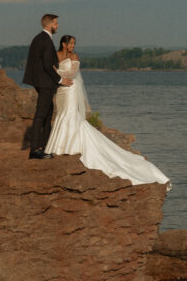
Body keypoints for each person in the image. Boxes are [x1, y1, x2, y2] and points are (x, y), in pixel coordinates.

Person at [45, 34, 171, 188]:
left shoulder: (74, 56)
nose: (73, 46)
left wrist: (56, 74)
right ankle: (59, 145)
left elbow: (72, 74)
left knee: (70, 115)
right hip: (61, 90)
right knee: (61, 114)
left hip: (70, 88)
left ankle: (69, 146)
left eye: (74, 44)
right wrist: (56, 77)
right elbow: (48, 67)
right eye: (71, 43)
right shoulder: (56, 55)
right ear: (63, 44)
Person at [23, 13, 71, 160]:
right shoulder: (44, 40)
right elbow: (46, 65)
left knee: (48, 112)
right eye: (56, 23)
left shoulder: (40, 38)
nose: (57, 26)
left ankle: (45, 146)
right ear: (49, 25)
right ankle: (35, 150)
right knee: (41, 115)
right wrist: (60, 79)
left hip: (41, 81)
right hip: (45, 82)